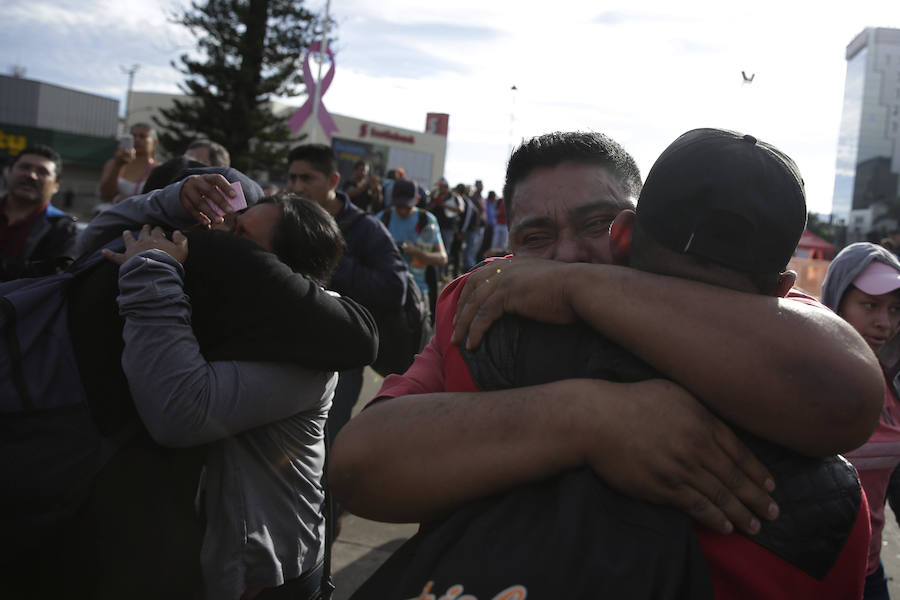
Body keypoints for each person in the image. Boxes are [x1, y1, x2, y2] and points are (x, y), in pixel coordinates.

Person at [330, 130, 882, 555]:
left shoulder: (758, 321)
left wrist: (576, 288)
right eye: (536, 238)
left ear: (632, 229)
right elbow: (357, 465)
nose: (567, 256)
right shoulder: (481, 304)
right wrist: (586, 417)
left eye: (594, 224)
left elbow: (849, 387)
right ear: (509, 244)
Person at [75, 170, 377, 600]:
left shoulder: (311, 349)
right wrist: (170, 201)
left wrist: (152, 272)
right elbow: (93, 245)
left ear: (283, 272)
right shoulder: (226, 305)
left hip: (262, 579)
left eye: (240, 233)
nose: (214, 234)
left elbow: (179, 411)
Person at [286, 144, 407, 444]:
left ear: (333, 181)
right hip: (288, 352)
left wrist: (330, 260)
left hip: (340, 359)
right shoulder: (284, 221)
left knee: (327, 444)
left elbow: (395, 288)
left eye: (307, 179)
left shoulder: (366, 229)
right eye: (292, 179)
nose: (297, 187)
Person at [821, 242, 900, 599]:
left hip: (869, 575)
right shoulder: (800, 380)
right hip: (810, 575)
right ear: (838, 303)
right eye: (870, 306)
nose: (885, 323)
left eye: (896, 310)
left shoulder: (895, 385)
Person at [1, 144, 78, 280]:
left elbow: (53, 279)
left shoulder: (63, 229)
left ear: (56, 186)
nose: (31, 175)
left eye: (42, 172)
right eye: (24, 167)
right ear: (9, 172)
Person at [376, 179, 447, 307]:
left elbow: (442, 258)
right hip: (385, 288)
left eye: (407, 206)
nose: (403, 211)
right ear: (391, 198)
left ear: (417, 199)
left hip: (417, 292)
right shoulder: (382, 218)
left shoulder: (427, 220)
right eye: (399, 206)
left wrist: (417, 253)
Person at [98, 122, 158, 203]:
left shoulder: (158, 169)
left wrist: (119, 200)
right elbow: (105, 195)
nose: (137, 140)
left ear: (154, 142)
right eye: (133, 136)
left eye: (142, 136)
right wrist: (118, 166)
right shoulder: (113, 163)